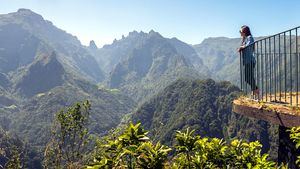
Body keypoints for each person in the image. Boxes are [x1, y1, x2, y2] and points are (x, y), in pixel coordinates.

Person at [238, 25, 259, 98]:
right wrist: (243, 40)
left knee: (248, 78)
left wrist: (241, 47)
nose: (240, 33)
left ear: (244, 32)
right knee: (249, 77)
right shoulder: (246, 38)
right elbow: (243, 46)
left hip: (250, 61)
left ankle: (256, 90)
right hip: (247, 61)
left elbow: (248, 45)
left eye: (240, 31)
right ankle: (254, 92)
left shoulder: (250, 38)